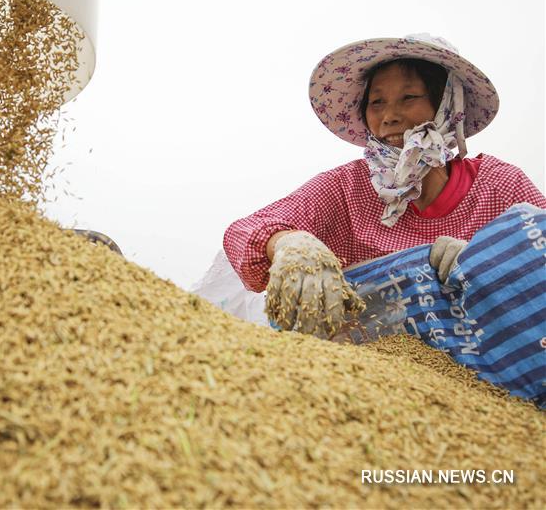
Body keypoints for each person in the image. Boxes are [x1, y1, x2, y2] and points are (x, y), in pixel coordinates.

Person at [223, 33, 546, 338]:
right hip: (363, 366)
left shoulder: (499, 185)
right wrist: (288, 243)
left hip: (483, 373)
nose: (389, 116)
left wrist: (491, 262)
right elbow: (243, 232)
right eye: (377, 102)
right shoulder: (346, 187)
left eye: (409, 97)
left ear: (447, 106)